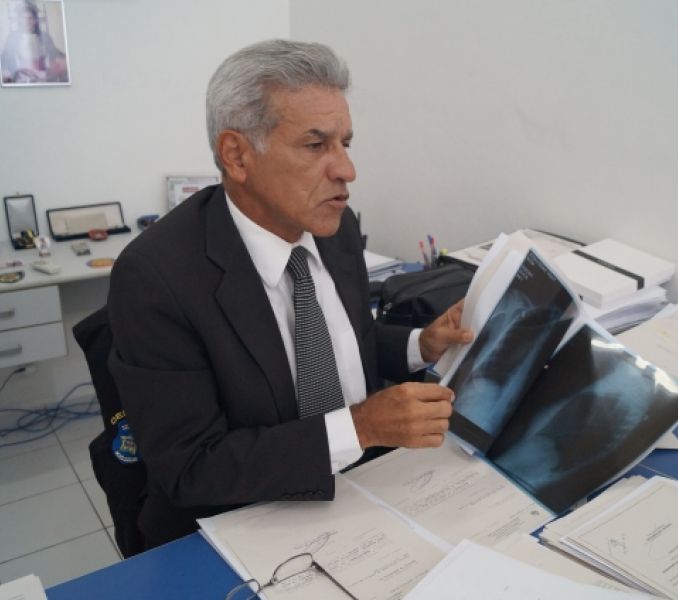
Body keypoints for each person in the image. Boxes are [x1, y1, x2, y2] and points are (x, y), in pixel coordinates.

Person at [107, 39, 473, 549]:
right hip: (244, 521)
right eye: (315, 145)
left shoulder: (335, 228)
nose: (346, 170)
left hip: (362, 494)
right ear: (237, 155)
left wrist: (420, 345)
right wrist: (361, 428)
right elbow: (190, 467)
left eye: (346, 143)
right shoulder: (155, 276)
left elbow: (343, 343)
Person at [0, 1, 69, 84]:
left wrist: (64, 60)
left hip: (42, 78)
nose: (27, 22)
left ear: (35, 20)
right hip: (20, 78)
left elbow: (54, 54)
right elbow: (5, 58)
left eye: (30, 18)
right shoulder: (12, 37)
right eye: (23, 18)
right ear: (20, 20)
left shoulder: (44, 36)